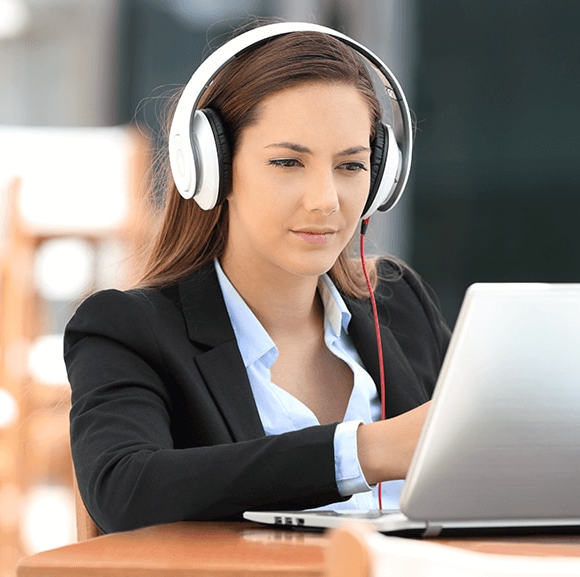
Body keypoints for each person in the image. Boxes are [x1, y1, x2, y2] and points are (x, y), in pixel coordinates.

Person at [65, 21, 452, 534]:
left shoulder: (400, 304)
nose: (325, 201)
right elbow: (124, 489)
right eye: (288, 162)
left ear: (381, 178)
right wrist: (366, 451)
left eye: (351, 167)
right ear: (213, 168)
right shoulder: (129, 329)